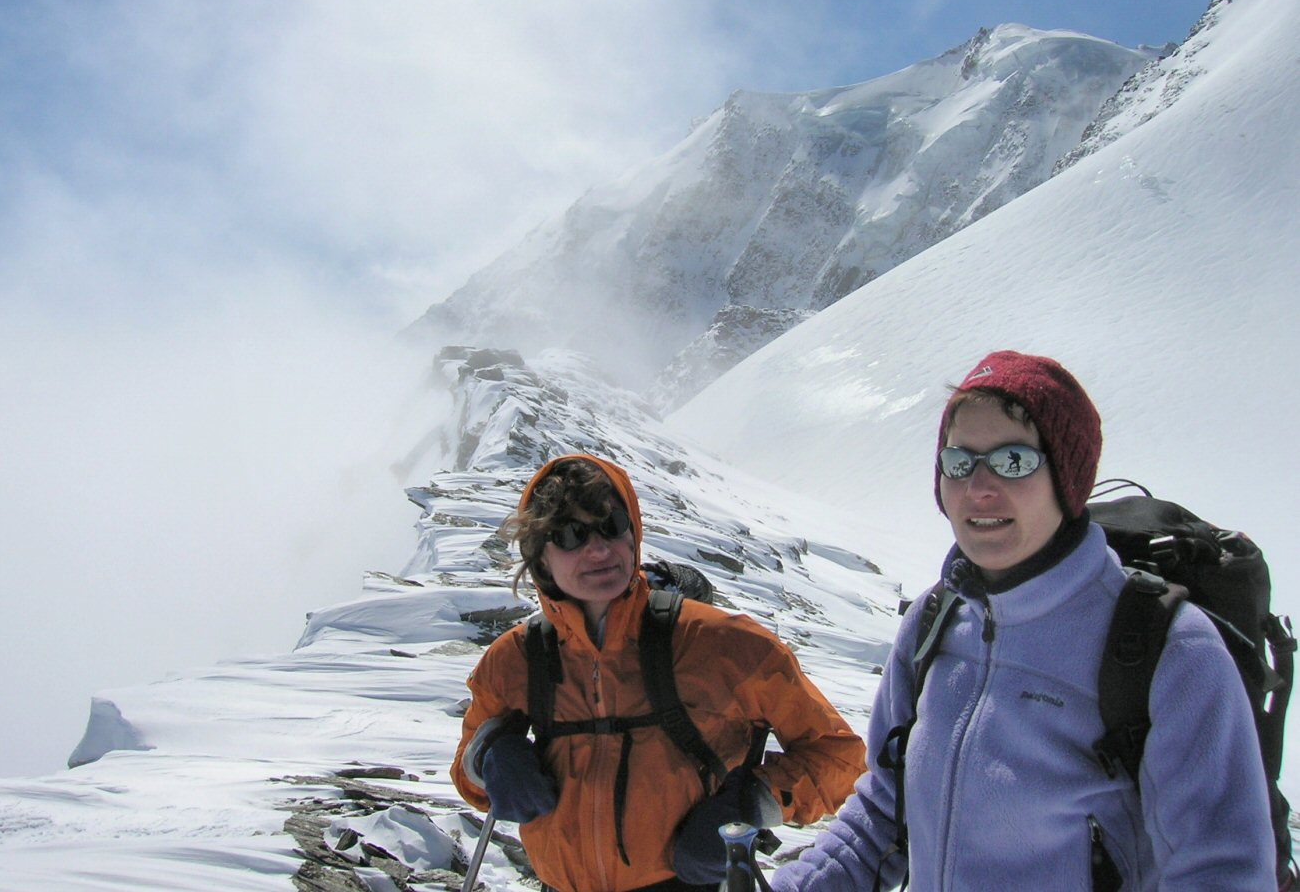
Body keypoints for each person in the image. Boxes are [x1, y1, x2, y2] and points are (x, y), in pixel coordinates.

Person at [771, 350, 1275, 892]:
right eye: (959, 462)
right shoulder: (934, 622)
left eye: (1013, 461)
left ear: (1067, 478)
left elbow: (1221, 873)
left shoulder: (1167, 647)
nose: (978, 487)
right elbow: (883, 812)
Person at [451, 453, 865, 892]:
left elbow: (839, 758)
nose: (598, 549)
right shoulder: (515, 660)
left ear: (633, 535)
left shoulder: (724, 644)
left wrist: (749, 804)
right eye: (570, 534)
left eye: (611, 525)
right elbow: (467, 773)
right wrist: (490, 757)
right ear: (540, 559)